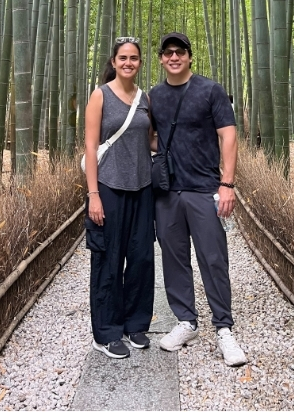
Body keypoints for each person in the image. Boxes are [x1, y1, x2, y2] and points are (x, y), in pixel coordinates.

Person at [150, 32, 247, 367]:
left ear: (190, 56)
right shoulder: (154, 96)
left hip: (205, 188)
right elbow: (151, 138)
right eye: (168, 53)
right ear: (161, 59)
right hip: (167, 193)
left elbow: (228, 136)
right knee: (174, 259)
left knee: (213, 258)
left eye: (180, 52)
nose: (174, 57)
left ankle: (224, 328)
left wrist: (228, 184)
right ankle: (186, 322)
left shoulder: (210, 90)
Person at [83, 37, 157, 359]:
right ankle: (107, 332)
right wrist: (93, 195)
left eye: (134, 58)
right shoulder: (99, 96)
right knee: (108, 261)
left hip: (142, 188)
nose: (129, 63)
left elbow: (151, 141)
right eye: (123, 57)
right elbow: (89, 147)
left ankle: (135, 324)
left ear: (140, 63)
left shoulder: (146, 99)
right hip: (109, 188)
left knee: (141, 260)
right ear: (113, 62)